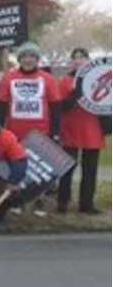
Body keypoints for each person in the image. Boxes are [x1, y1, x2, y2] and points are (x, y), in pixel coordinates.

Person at [58, 47, 102, 214]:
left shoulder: (98, 78)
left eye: (82, 57)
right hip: (71, 129)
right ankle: (63, 201)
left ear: (88, 60)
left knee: (90, 170)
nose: (78, 60)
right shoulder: (65, 81)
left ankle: (87, 204)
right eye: (75, 57)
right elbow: (63, 106)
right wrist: (77, 90)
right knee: (67, 167)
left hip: (93, 129)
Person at [0, 42, 61, 142]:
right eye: (24, 57)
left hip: (42, 134)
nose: (28, 60)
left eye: (31, 56)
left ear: (37, 60)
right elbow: (0, 107)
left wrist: (55, 133)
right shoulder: (9, 78)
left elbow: (55, 108)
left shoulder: (48, 79)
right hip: (14, 135)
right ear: (19, 60)